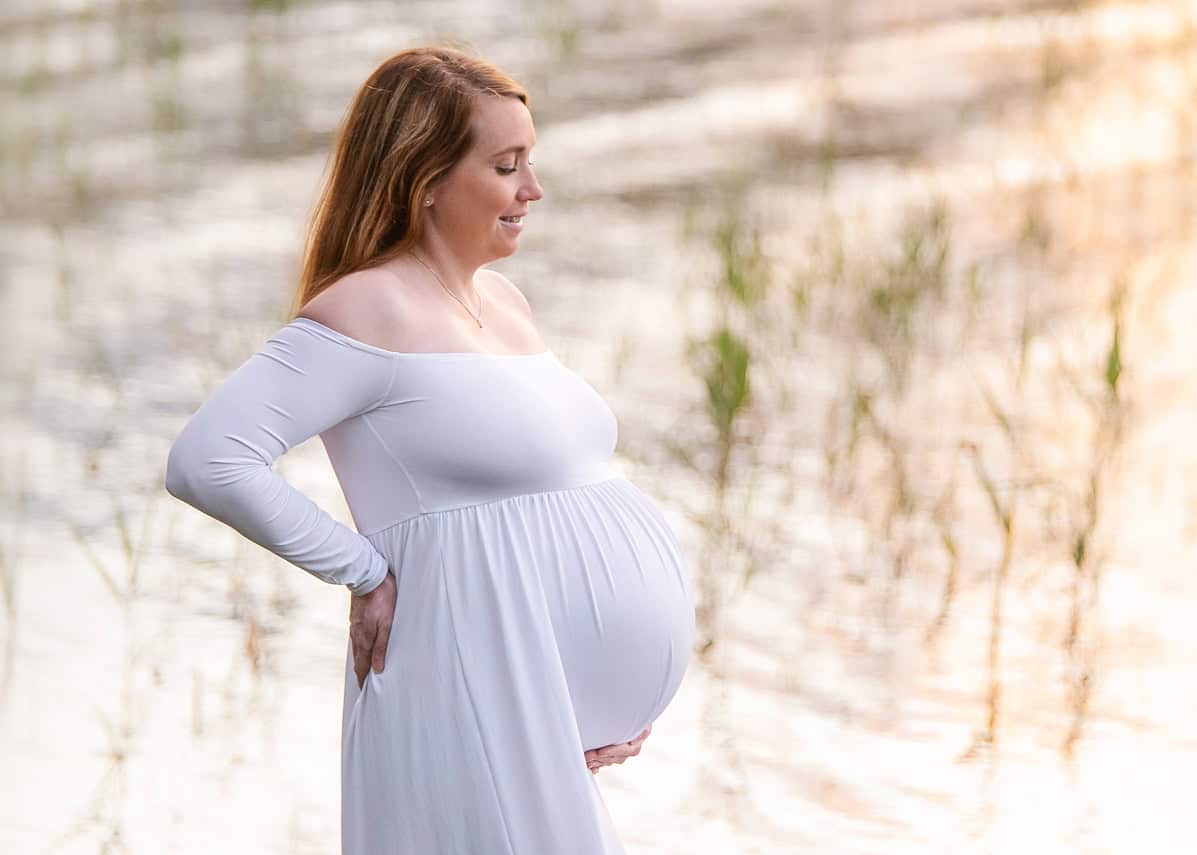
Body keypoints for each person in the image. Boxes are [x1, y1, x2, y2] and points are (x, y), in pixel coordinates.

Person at [164, 45, 695, 854]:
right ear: (426, 181)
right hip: (458, 681)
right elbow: (207, 459)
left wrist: (603, 697)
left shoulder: (503, 300)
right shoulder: (364, 311)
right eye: (507, 165)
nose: (533, 189)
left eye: (531, 160)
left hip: (535, 707)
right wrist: (362, 569)